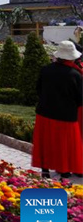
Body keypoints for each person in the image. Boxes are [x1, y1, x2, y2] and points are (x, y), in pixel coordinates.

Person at [32, 41, 83, 179]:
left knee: (46, 142)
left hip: (44, 112)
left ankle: (45, 170)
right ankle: (64, 172)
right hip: (66, 115)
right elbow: (80, 98)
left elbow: (39, 89)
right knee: (64, 145)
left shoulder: (46, 69)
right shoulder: (75, 74)